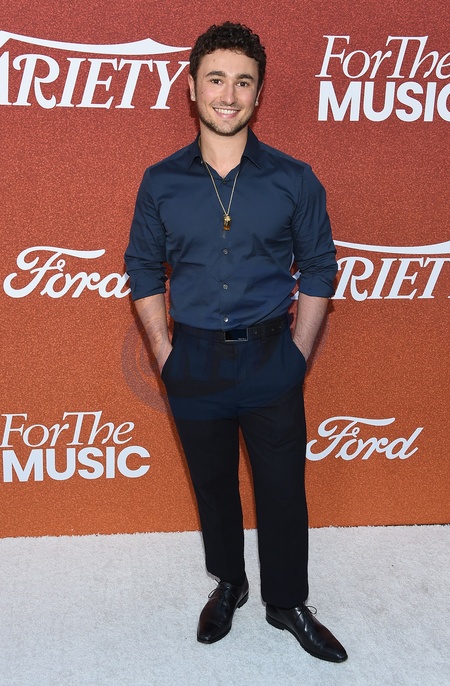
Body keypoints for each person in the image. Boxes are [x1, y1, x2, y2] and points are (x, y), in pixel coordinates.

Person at [125, 22, 347, 663]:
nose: (229, 95)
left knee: (282, 487)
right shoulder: (161, 181)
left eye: (243, 82)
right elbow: (143, 267)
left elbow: (321, 266)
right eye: (216, 79)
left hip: (271, 355)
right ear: (192, 89)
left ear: (258, 93)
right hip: (192, 359)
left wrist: (297, 353)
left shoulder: (293, 178)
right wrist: (165, 354)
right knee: (213, 483)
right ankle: (230, 583)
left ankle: (287, 602)